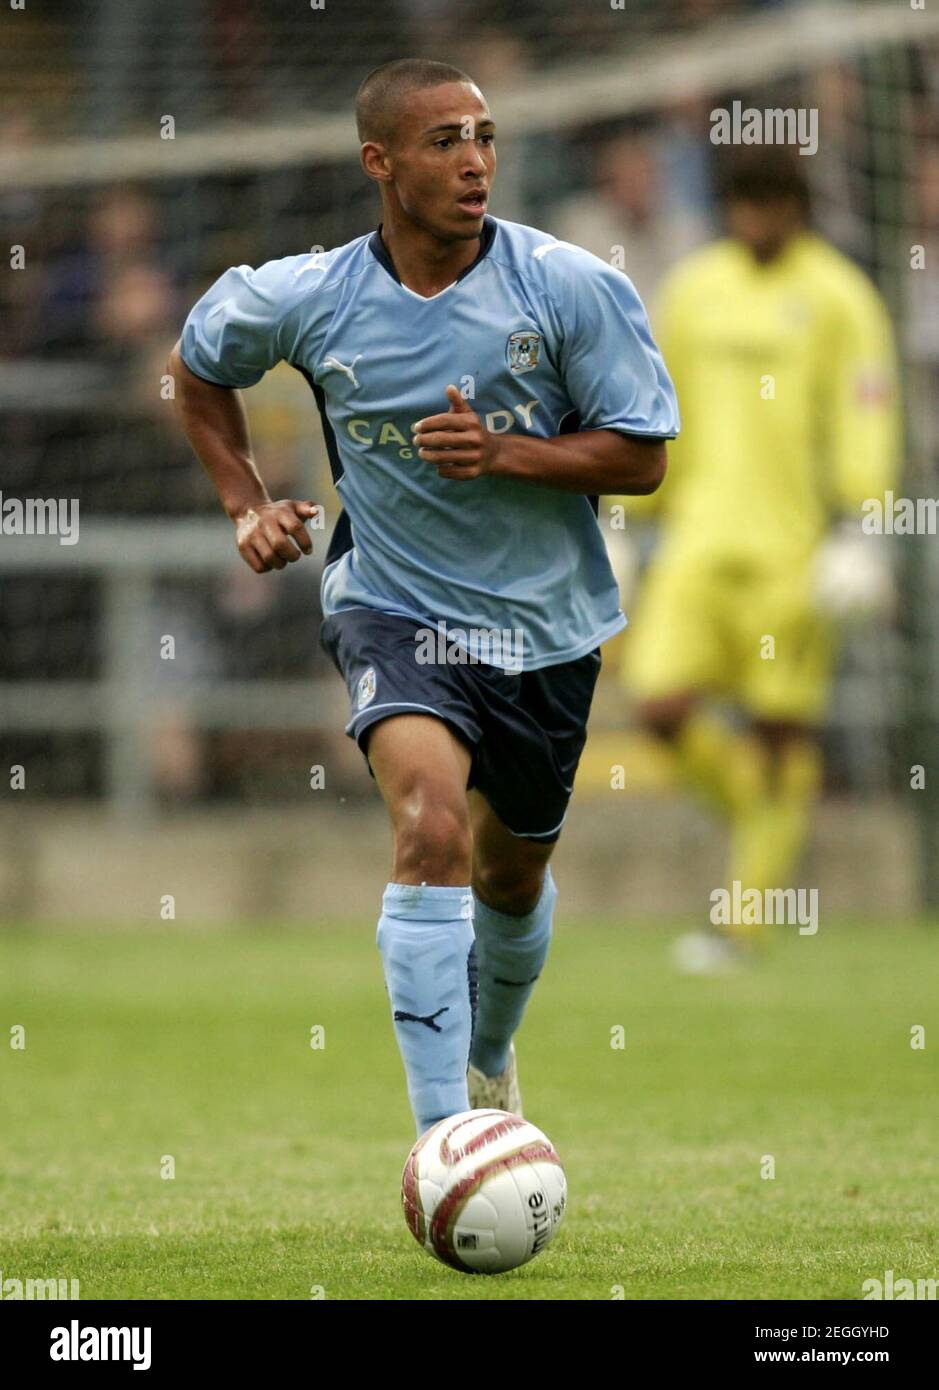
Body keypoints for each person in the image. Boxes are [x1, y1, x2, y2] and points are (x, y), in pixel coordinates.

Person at [168, 58, 677, 1136]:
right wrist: (245, 502)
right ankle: (444, 1138)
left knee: (510, 876)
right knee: (430, 827)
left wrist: (505, 453)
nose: (474, 160)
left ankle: (490, 1058)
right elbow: (197, 366)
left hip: (547, 628)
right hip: (394, 608)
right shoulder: (309, 296)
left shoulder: (570, 285)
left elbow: (641, 459)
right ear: (380, 162)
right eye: (445, 140)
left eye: (485, 136)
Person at [617, 150, 900, 972]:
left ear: (796, 209)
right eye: (740, 206)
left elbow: (866, 412)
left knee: (781, 729)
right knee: (660, 707)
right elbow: (654, 404)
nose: (752, 222)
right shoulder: (695, 288)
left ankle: (743, 920)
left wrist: (864, 525)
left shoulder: (839, 297)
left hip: (794, 554)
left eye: (767, 206)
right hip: (696, 542)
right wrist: (622, 518)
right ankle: (763, 819)